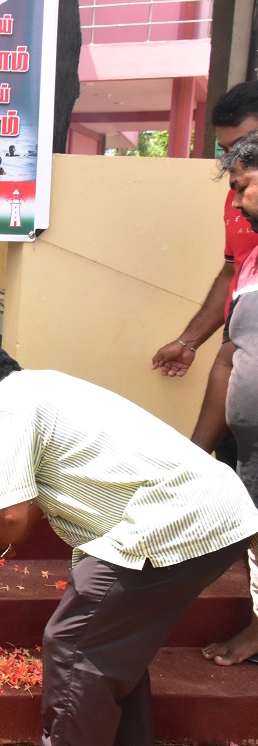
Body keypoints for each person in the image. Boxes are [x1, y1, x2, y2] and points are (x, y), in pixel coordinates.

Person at [0, 340, 258, 746]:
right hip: (219, 515)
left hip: (169, 519)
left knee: (74, 644)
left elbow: (11, 520)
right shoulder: (42, 389)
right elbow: (24, 516)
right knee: (112, 648)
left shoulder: (7, 406)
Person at [195, 130, 258, 667]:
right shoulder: (251, 263)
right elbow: (229, 357)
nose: (235, 204)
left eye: (243, 187)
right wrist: (196, 452)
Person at [152, 81, 258, 381]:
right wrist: (188, 341)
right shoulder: (238, 198)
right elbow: (232, 272)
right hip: (239, 350)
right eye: (226, 150)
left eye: (244, 146)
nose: (233, 160)